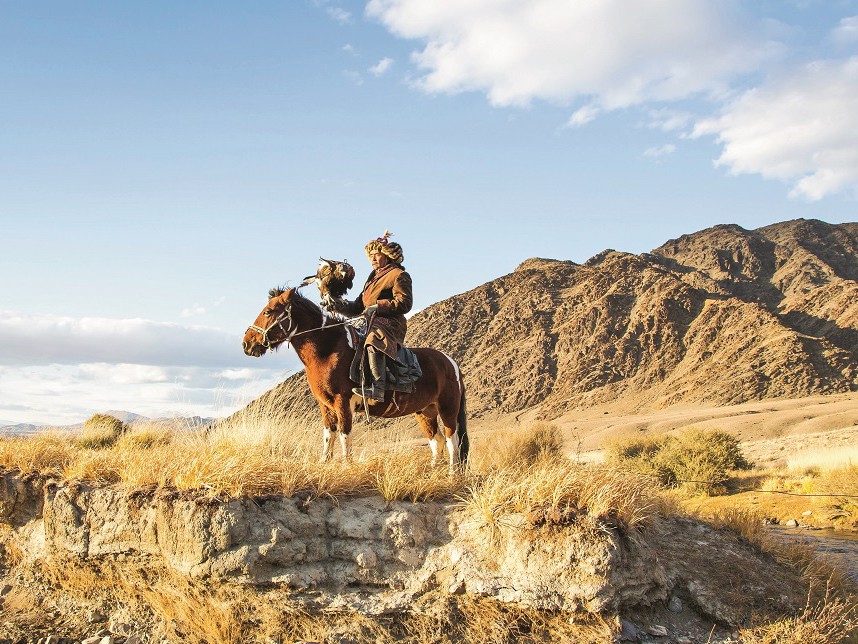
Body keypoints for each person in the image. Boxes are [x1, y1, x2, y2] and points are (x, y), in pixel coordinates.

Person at [327, 231, 413, 401]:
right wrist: (338, 305)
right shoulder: (373, 278)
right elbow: (358, 306)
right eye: (370, 255)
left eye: (377, 254)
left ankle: (377, 387)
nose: (372, 259)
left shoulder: (399, 275)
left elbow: (405, 303)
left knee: (373, 341)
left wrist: (377, 307)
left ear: (387, 256)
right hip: (369, 320)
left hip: (390, 322)